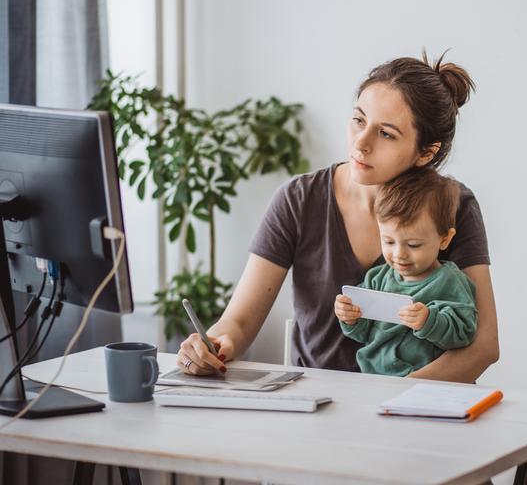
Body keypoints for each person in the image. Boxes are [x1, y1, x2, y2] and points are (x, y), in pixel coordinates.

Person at [176, 50, 499, 382]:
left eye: (386, 133)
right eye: (359, 120)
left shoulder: (455, 205)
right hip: (315, 409)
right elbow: (239, 323)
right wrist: (214, 344)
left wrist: (394, 399)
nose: (361, 143)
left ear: (425, 153)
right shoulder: (299, 200)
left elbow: (484, 347)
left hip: (419, 412)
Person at [335, 168, 477, 377]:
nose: (399, 254)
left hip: (426, 383)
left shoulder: (450, 280)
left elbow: (465, 332)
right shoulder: (377, 278)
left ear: (444, 239)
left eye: (413, 244)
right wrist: (350, 318)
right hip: (372, 379)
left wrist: (430, 320)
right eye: (389, 241)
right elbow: (363, 333)